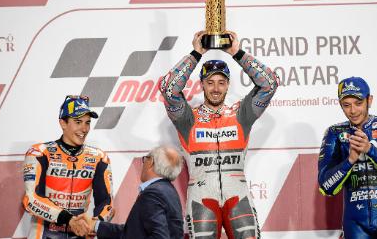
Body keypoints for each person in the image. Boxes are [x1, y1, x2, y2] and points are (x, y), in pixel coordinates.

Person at [159, 31, 279, 239]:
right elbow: (169, 90)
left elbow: (270, 84)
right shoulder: (187, 119)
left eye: (221, 82)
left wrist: (237, 52)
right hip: (200, 199)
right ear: (202, 84)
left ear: (228, 85)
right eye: (210, 82)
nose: (216, 88)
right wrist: (196, 54)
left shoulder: (242, 114)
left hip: (238, 197)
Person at [318, 77, 377, 239]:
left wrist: (370, 150)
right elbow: (326, 186)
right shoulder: (334, 133)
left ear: (370, 100)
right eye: (346, 105)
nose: (353, 111)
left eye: (358, 103)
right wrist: (350, 160)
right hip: (355, 223)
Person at [22, 95, 114, 239]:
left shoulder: (99, 157)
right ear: (63, 123)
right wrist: (69, 219)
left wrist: (95, 223)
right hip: (44, 232)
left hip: (81, 232)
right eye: (78, 122)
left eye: (87, 122)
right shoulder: (40, 152)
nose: (84, 129)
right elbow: (30, 199)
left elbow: (107, 203)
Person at [74, 145, 184, 239]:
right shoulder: (169, 191)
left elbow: (159, 236)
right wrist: (96, 225)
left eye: (145, 158)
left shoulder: (153, 194)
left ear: (151, 162)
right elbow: (133, 233)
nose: (143, 163)